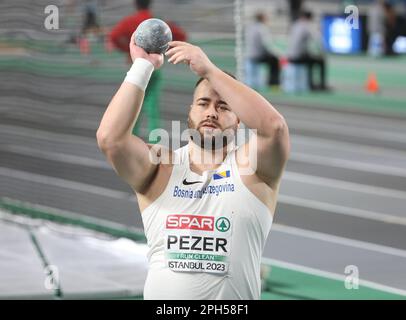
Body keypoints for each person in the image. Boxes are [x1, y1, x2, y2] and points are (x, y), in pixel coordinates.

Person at [96, 35, 290, 299]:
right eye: (203, 103)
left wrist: (210, 70)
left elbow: (275, 128)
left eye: (223, 106)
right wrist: (142, 65)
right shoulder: (162, 168)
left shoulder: (252, 170)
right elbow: (111, 139)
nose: (211, 112)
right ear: (190, 111)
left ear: (238, 121)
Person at [109, 0, 187, 137]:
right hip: (154, 69)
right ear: (150, 4)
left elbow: (113, 36)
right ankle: (155, 141)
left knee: (133, 104)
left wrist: (127, 50)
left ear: (135, 4)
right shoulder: (159, 24)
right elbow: (181, 35)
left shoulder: (130, 22)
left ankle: (131, 136)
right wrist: (165, 50)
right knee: (153, 107)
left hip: (136, 68)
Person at [287, 10, 329, 91]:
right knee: (321, 61)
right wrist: (322, 52)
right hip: (298, 56)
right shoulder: (307, 26)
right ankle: (319, 85)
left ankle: (310, 83)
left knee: (310, 59)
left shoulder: (295, 24)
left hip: (290, 55)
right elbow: (318, 40)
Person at [245, 12, 281, 87]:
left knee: (273, 59)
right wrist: (277, 54)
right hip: (258, 56)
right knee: (275, 60)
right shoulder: (262, 28)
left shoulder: (250, 27)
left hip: (250, 55)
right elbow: (266, 45)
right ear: (263, 18)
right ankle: (273, 83)